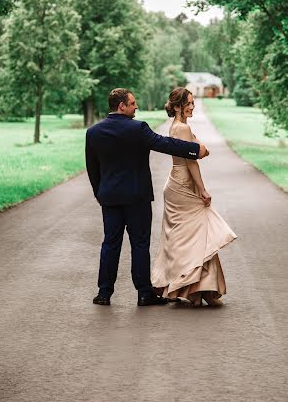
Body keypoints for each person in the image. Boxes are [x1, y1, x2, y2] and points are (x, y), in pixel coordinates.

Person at [85, 88, 209, 307]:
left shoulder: (94, 132)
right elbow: (164, 144)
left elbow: (92, 169)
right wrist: (194, 149)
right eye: (132, 104)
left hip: (110, 198)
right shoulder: (137, 128)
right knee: (140, 244)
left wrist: (100, 193)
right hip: (137, 197)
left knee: (110, 244)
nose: (136, 107)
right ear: (121, 106)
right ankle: (144, 293)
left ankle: (104, 293)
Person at [152, 87, 236, 306]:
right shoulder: (182, 129)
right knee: (197, 235)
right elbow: (192, 161)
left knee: (188, 237)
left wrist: (201, 149)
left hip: (177, 182)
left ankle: (195, 290)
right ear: (178, 106)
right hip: (182, 185)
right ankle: (197, 289)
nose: (192, 106)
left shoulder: (180, 127)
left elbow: (201, 150)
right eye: (188, 103)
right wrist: (203, 189)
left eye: (192, 103)